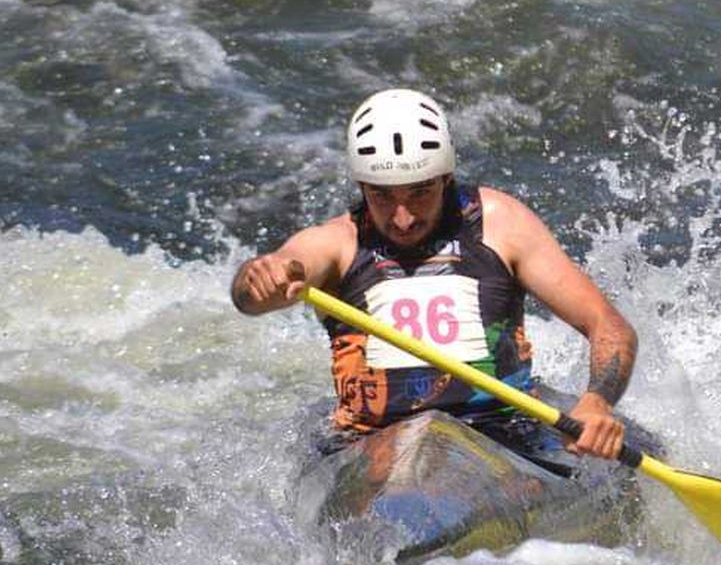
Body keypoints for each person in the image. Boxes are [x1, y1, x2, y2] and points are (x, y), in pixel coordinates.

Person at [233, 88, 636, 461]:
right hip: (371, 444)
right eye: (383, 196)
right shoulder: (337, 243)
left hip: (503, 434)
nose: (403, 218)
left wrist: (597, 402)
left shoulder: (499, 223)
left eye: (420, 192)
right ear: (361, 186)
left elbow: (608, 325)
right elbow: (258, 292)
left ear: (446, 179)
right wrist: (263, 277)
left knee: (643, 448)